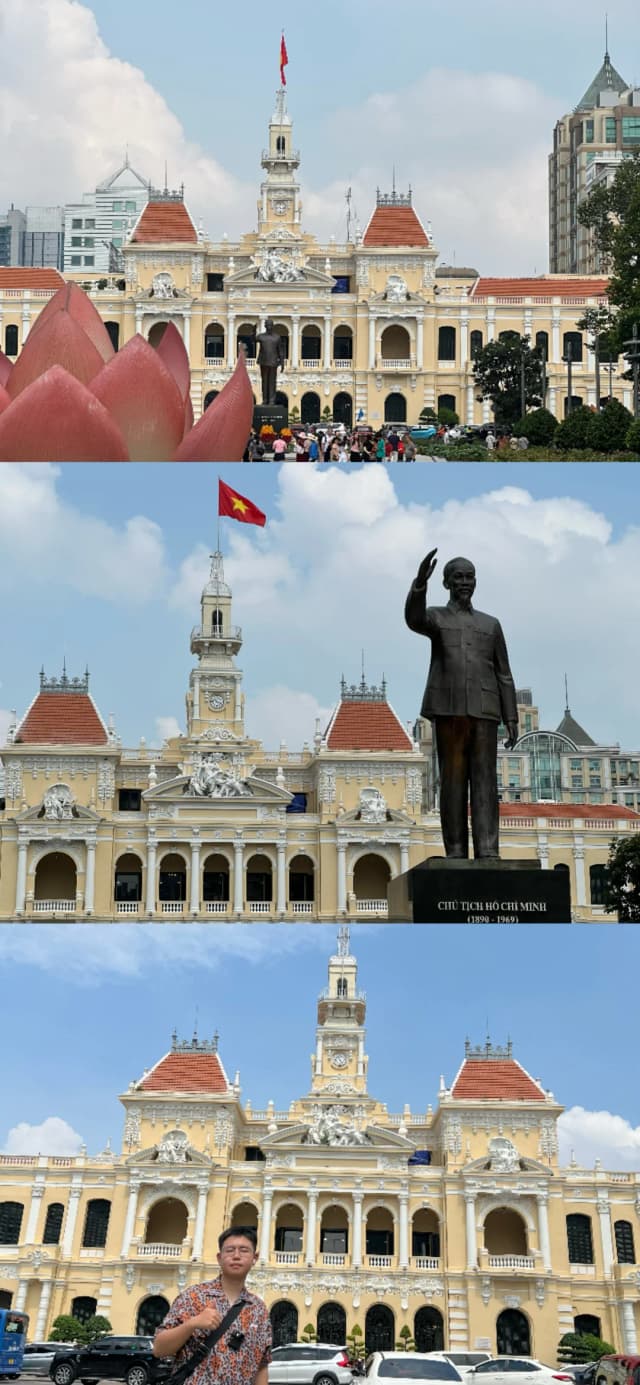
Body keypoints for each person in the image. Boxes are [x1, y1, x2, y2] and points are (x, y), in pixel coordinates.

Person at [405, 549, 518, 860]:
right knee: (453, 782)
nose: (465, 582)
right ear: (446, 583)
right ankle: (455, 851)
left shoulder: (491, 624)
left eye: (470, 577)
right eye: (458, 577)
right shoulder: (437, 617)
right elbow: (413, 619)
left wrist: (512, 718)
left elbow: (503, 673)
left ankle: (488, 850)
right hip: (448, 709)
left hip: (485, 710)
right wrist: (419, 585)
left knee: (485, 782)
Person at [154, 1226, 271, 1385]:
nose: (236, 1256)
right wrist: (192, 1324)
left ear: (254, 1258)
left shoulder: (258, 1310)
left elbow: (261, 1366)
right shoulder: (194, 1297)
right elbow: (159, 1349)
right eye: (230, 1250)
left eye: (244, 1250)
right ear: (219, 1257)